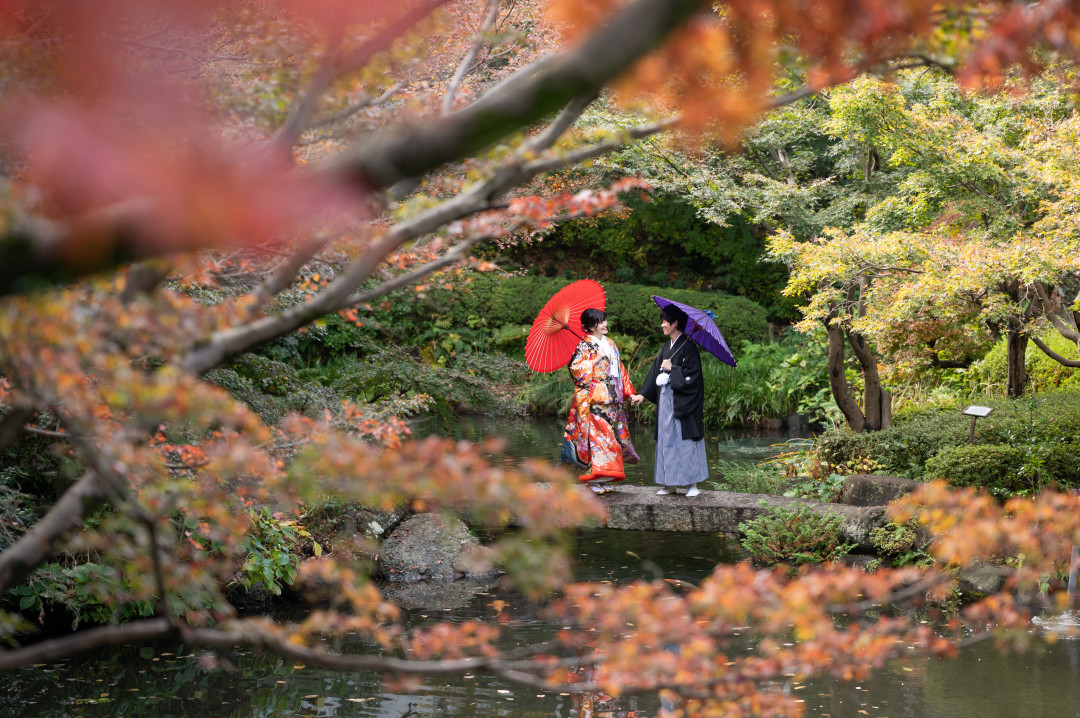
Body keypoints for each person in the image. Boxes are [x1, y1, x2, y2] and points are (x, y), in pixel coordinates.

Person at [630, 304, 708, 496]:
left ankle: (693, 484)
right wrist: (642, 394)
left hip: (683, 402)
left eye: (665, 321)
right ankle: (669, 482)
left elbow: (694, 377)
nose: (662, 325)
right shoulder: (667, 346)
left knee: (686, 440)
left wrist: (673, 368)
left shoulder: (689, 348)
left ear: (675, 323)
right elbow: (654, 371)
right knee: (666, 439)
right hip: (666, 401)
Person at [563, 308, 640, 494]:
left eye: (604, 320)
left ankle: (604, 478)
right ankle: (593, 479)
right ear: (590, 326)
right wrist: (594, 361)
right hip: (593, 399)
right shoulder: (584, 345)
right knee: (597, 440)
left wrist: (631, 394)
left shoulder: (611, 344)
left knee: (611, 439)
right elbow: (575, 368)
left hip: (613, 399)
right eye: (599, 322)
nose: (604, 324)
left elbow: (620, 371)